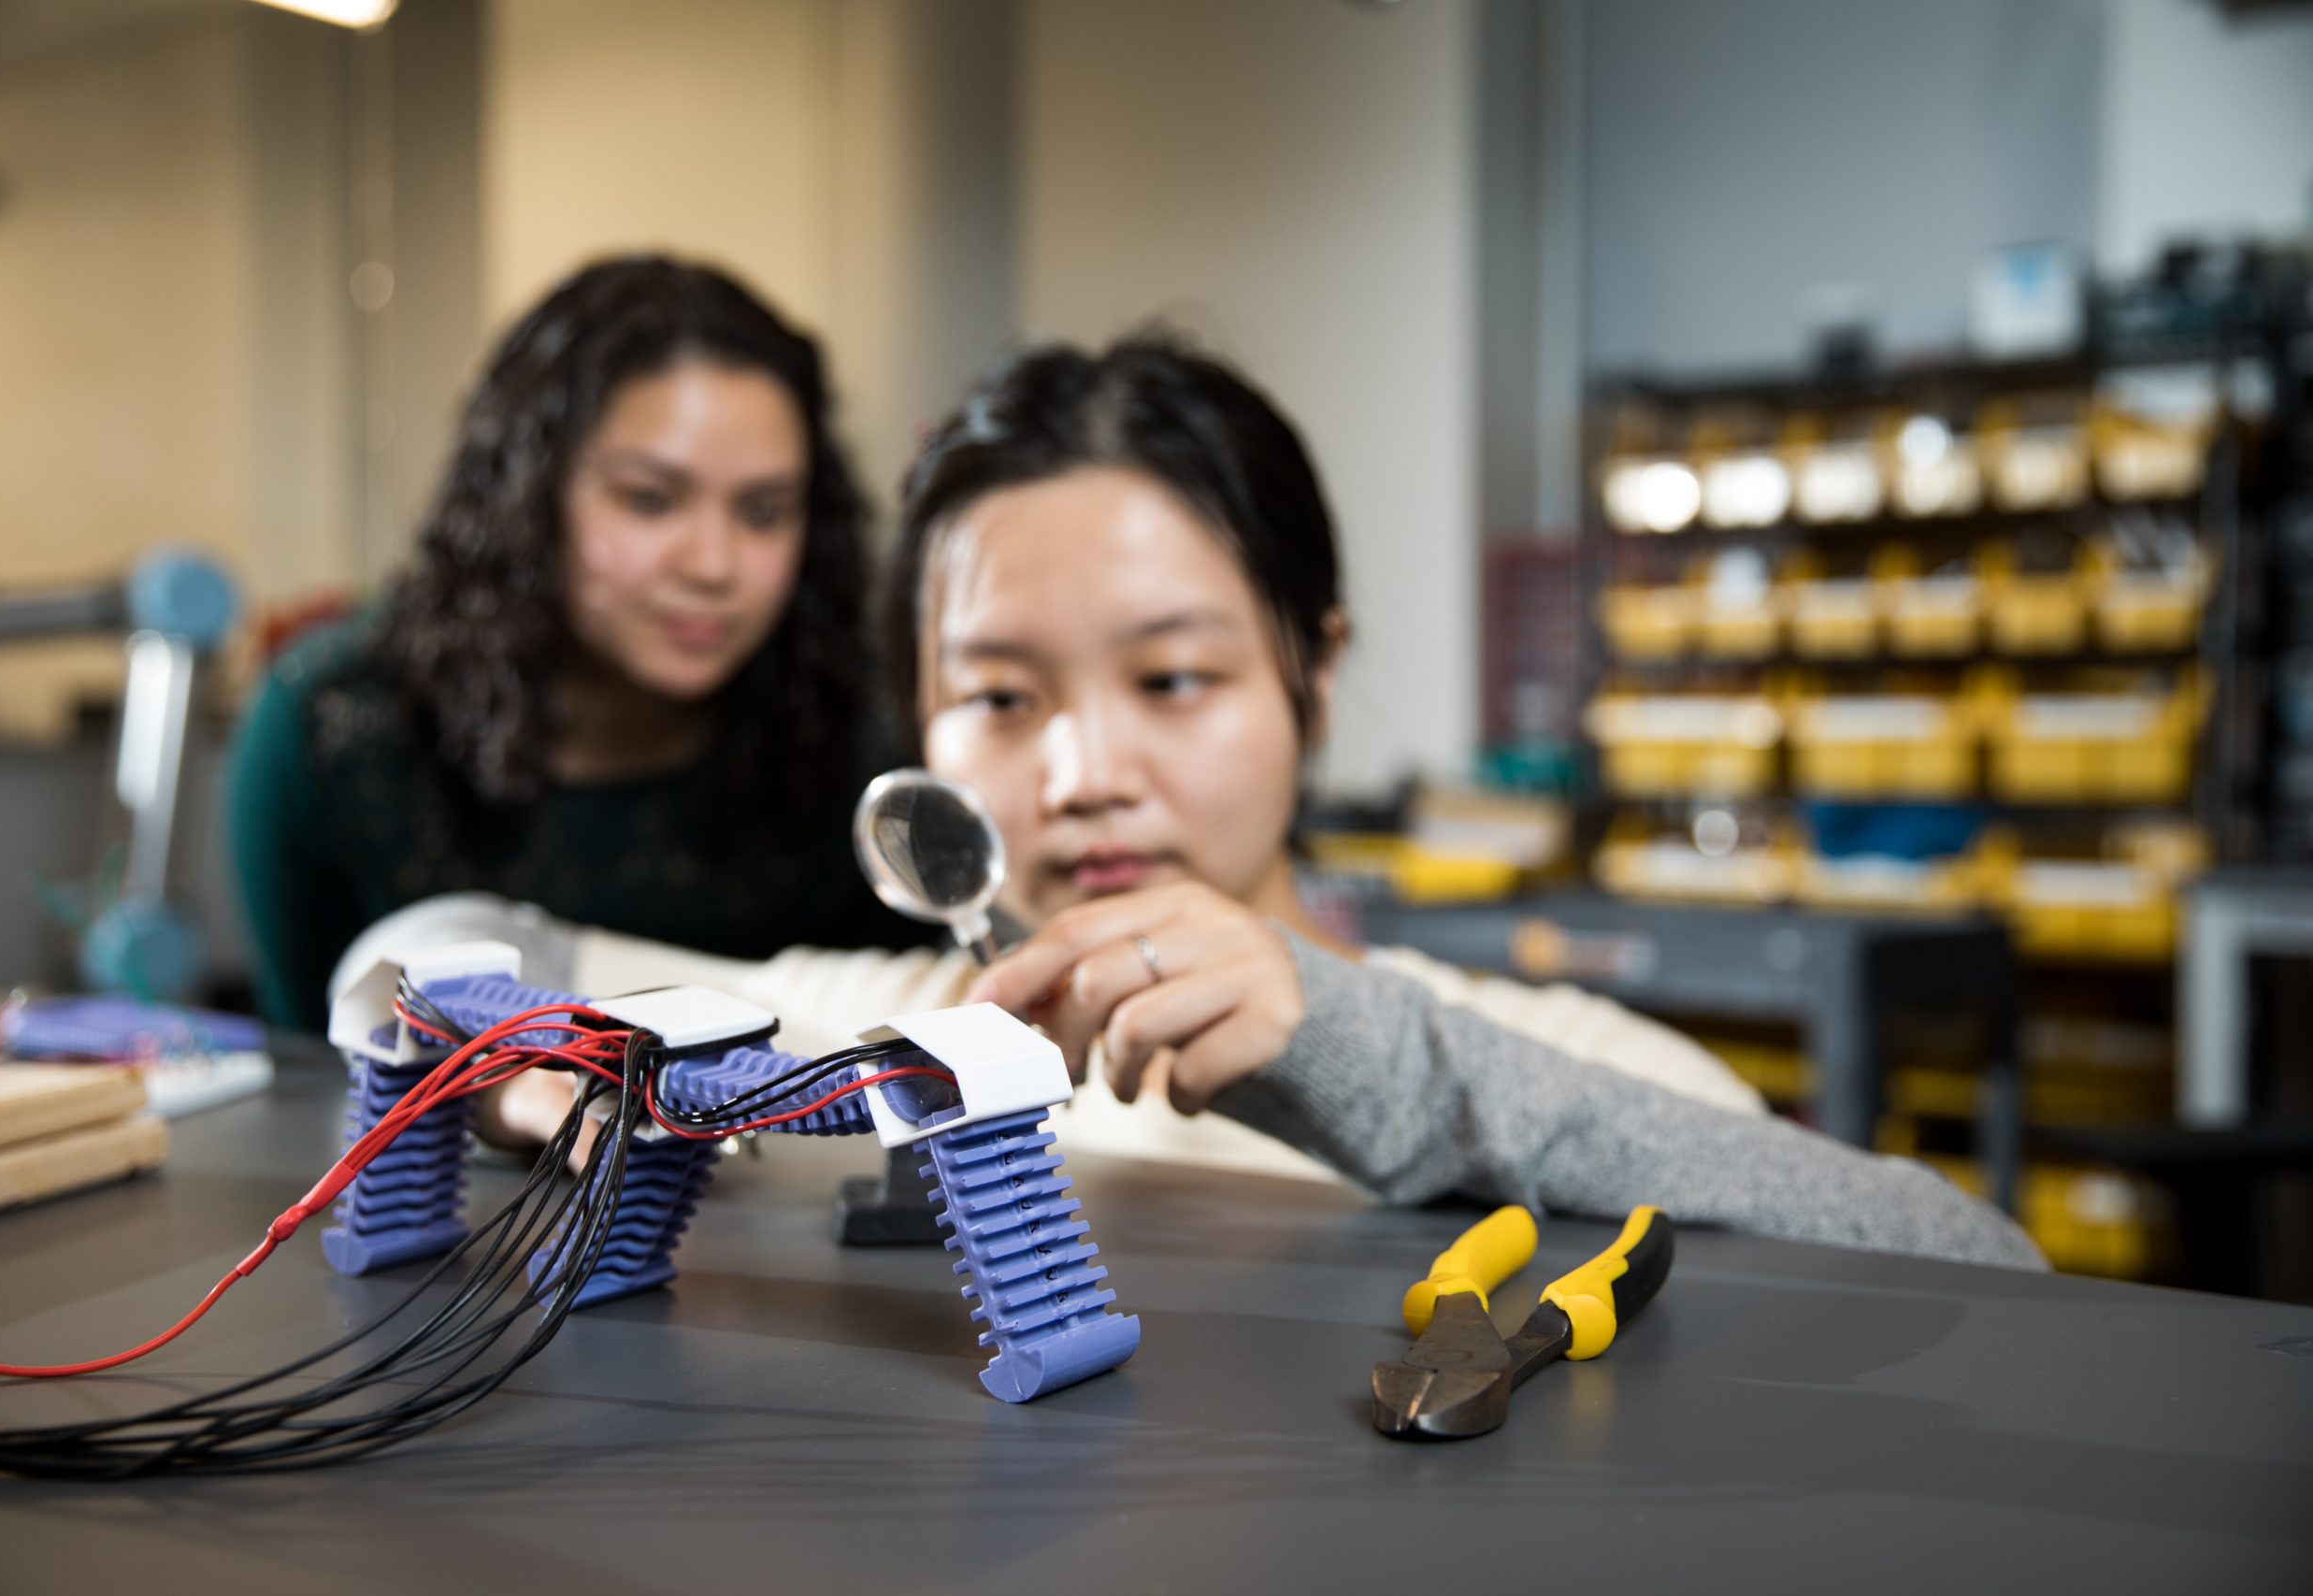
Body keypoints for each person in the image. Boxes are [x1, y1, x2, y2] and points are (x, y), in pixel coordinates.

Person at [382, 333, 2041, 1271]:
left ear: (1314, 676)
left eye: (1174, 680)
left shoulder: (1520, 1064)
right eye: (1000, 696)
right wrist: (513, 1051)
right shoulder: (869, 1028)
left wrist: (1354, 1050)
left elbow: (1979, 1269)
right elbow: (432, 942)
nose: (1085, 770)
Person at [229, 255, 923, 1031]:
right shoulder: (334, 729)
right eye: (650, 500)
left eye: (763, 511)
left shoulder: (873, 732)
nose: (713, 564)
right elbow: (316, 1094)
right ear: (527, 497)